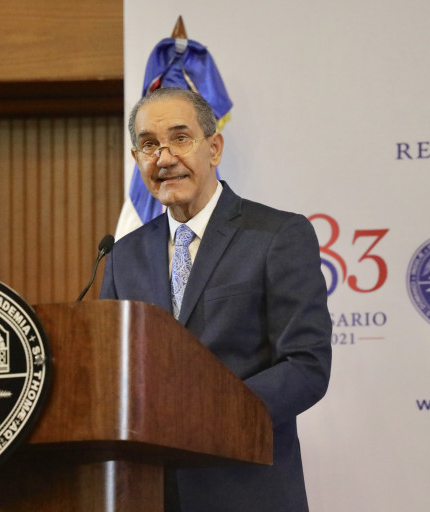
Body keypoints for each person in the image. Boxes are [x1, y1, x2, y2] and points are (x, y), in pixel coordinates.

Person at [99, 87, 332, 512]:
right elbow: (108, 370)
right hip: (148, 493)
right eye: (149, 145)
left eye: (180, 138)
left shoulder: (277, 235)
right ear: (137, 160)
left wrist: (209, 412)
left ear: (215, 148)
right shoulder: (123, 256)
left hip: (246, 490)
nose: (164, 158)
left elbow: (306, 365)